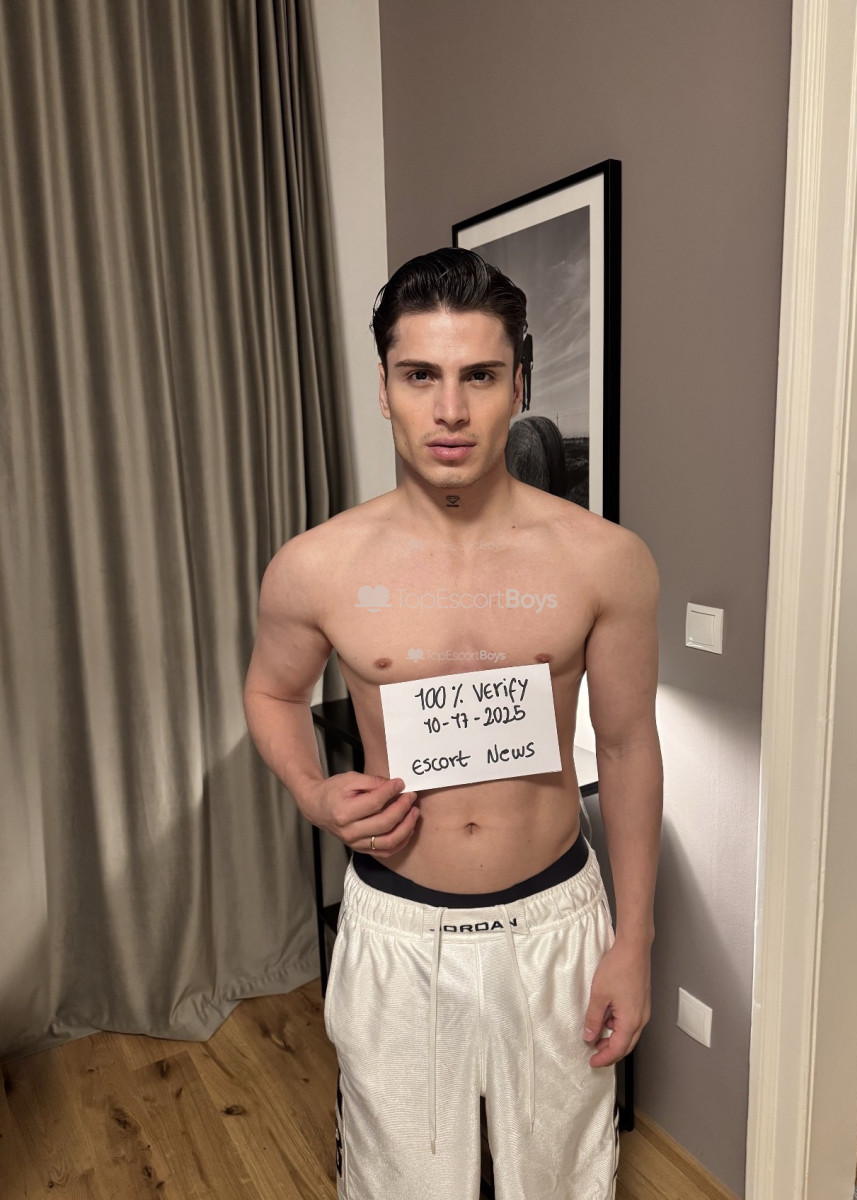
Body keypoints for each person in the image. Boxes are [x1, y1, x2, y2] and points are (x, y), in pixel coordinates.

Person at [243, 247, 663, 1200]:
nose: (449, 410)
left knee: (561, 1180)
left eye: (478, 375)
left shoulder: (604, 560)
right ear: (382, 389)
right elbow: (270, 693)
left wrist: (632, 940)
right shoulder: (316, 566)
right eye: (419, 376)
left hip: (554, 920)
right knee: (399, 1179)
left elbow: (629, 745)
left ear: (520, 385)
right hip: (398, 923)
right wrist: (312, 791)